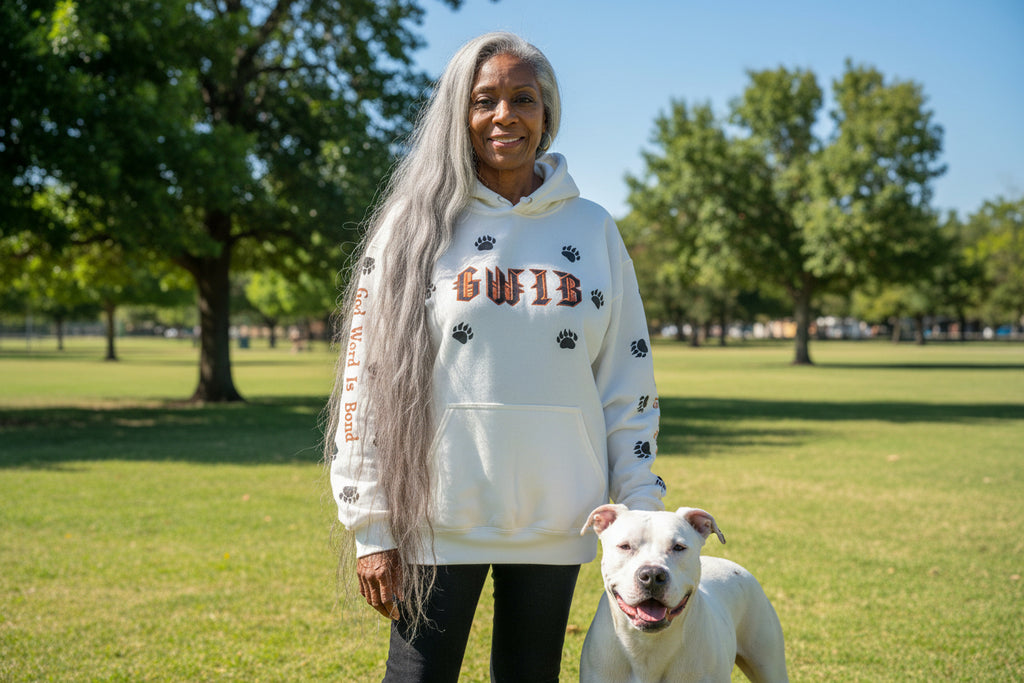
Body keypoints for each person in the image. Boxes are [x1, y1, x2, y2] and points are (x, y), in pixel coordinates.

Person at [325, 31, 666, 682]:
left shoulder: (591, 227)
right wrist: (372, 522)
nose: (505, 115)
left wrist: (641, 500)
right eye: (485, 100)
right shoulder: (412, 223)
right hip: (437, 508)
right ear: (460, 113)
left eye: (523, 99)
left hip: (558, 510)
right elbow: (363, 378)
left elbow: (627, 375)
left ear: (547, 112)